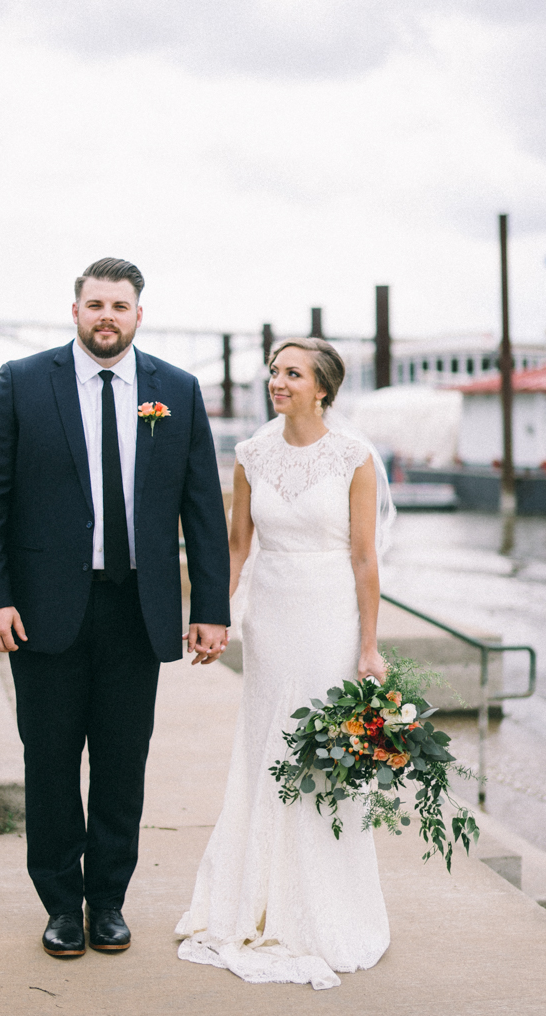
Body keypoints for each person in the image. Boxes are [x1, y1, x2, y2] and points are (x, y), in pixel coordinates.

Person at [0, 258, 230, 959]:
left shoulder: (177, 390)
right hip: (43, 613)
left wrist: (211, 606)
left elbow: (203, 508)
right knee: (50, 762)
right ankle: (59, 903)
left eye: (120, 305)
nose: (106, 316)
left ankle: (107, 901)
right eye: (94, 304)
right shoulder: (22, 383)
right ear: (74, 310)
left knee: (120, 765)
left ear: (140, 315)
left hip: (136, 612)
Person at [176, 337, 392, 989]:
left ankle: (321, 908)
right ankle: (249, 898)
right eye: (274, 371)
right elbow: (238, 545)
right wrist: (212, 613)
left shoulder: (354, 457)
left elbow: (363, 557)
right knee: (264, 748)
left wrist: (369, 646)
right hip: (270, 618)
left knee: (317, 755)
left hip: (330, 617)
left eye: (291, 373)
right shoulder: (250, 455)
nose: (277, 381)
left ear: (321, 387)